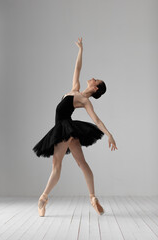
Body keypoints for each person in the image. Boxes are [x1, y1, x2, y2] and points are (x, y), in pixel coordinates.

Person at [32, 37, 118, 217]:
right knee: (82, 163)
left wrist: (109, 134)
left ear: (95, 88)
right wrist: (81, 50)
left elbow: (97, 120)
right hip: (67, 130)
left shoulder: (84, 100)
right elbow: (77, 68)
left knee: (56, 167)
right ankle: (93, 198)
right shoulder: (76, 90)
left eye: (96, 80)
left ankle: (43, 199)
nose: (93, 78)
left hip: (64, 129)